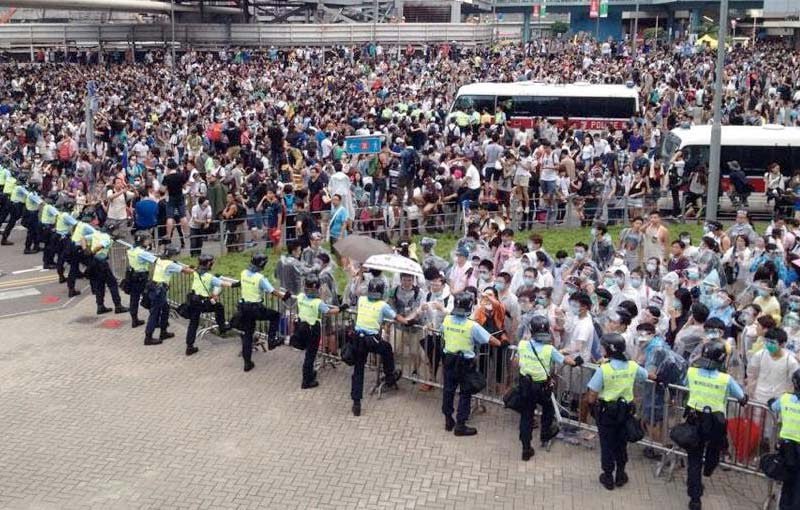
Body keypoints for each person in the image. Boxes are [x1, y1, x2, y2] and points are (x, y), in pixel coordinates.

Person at [681, 341, 747, 510]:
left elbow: (684, 385)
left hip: (694, 419)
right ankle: (708, 470)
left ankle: (695, 498)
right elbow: (741, 397)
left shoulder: (692, 372)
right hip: (716, 423)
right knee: (714, 450)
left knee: (694, 459)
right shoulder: (726, 379)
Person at [586, 333, 650, 491]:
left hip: (607, 412)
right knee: (621, 444)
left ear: (610, 349)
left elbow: (592, 393)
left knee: (607, 444)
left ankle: (608, 477)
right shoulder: (632, 366)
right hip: (626, 412)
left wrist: (592, 408)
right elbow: (646, 375)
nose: (601, 350)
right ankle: (621, 474)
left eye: (603, 347)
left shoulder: (604, 369)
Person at [516, 315, 583, 461]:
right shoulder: (549, 349)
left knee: (526, 416)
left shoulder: (522, 344)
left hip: (525, 385)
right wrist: (577, 361)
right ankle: (545, 434)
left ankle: (526, 448)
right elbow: (566, 361)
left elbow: (517, 361)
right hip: (542, 388)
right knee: (548, 410)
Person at [441, 292, 501, 436]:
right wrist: (501, 342)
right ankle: (460, 425)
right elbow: (492, 341)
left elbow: (442, 332)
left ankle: (448, 420)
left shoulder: (447, 320)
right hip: (464, 363)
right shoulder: (471, 325)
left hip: (449, 359)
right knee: (465, 393)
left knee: (448, 391)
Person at [350, 278, 408, 416]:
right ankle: (389, 376)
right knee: (387, 348)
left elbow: (356, 293)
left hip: (358, 339)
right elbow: (397, 318)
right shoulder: (382, 305)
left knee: (358, 371)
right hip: (371, 340)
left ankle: (356, 403)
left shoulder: (362, 300)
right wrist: (408, 321)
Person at [237, 253, 291, 372]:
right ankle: (271, 340)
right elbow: (272, 291)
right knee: (275, 315)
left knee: (247, 335)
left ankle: (247, 363)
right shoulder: (259, 278)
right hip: (255, 308)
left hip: (244, 308)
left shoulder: (243, 273)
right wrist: (284, 297)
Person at [294, 274, 343, 389]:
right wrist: (341, 308)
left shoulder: (300, 297)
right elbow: (329, 311)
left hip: (302, 326)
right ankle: (307, 381)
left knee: (308, 354)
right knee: (310, 355)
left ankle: (310, 374)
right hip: (312, 329)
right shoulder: (317, 303)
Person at [184, 254, 237, 356]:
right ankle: (222, 327)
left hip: (193, 300)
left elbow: (191, 269)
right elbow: (225, 284)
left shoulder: (196, 272)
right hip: (202, 303)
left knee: (193, 323)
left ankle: (189, 346)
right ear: (208, 264)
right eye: (211, 262)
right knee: (219, 307)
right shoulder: (209, 277)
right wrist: (237, 284)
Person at [144, 247, 192, 346]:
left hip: (155, 288)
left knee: (165, 309)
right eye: (176, 255)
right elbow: (187, 272)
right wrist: (196, 270)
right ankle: (148, 337)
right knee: (154, 313)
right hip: (159, 291)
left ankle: (163, 331)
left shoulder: (160, 260)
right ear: (172, 255)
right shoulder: (169, 264)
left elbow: (176, 264)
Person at [768, 368, 800, 510]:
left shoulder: (785, 398)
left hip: (787, 447)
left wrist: (771, 401)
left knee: (787, 480)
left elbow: (773, 406)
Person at [84, 225, 128, 315]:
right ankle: (118, 306)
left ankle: (100, 306)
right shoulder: (106, 238)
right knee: (113, 284)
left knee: (99, 284)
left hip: (94, 262)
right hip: (101, 263)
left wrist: (86, 249)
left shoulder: (97, 234)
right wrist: (93, 251)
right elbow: (101, 245)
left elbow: (83, 238)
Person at [126, 233, 154, 328]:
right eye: (147, 240)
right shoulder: (142, 253)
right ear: (142, 241)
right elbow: (155, 260)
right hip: (142, 277)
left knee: (134, 299)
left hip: (132, 276)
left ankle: (134, 320)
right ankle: (154, 320)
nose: (149, 241)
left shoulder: (131, 249)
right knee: (150, 297)